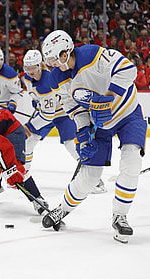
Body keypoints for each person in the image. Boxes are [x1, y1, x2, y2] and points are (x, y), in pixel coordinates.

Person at [41, 30, 147, 243]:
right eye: (51, 60)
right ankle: (62, 209)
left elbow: (128, 70)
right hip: (99, 123)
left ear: (67, 50)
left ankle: (120, 216)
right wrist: (82, 129)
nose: (55, 64)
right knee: (89, 176)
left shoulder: (92, 55)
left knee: (132, 160)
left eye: (57, 57)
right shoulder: (56, 77)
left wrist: (107, 98)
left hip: (127, 113)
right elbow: (70, 104)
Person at [22, 49, 105, 194]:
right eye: (27, 68)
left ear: (40, 65)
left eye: (33, 67)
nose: (30, 71)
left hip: (62, 114)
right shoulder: (28, 78)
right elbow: (38, 98)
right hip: (46, 113)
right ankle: (23, 175)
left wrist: (29, 126)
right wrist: (37, 101)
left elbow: (47, 116)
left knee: (71, 145)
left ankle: (94, 179)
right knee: (29, 142)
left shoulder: (47, 81)